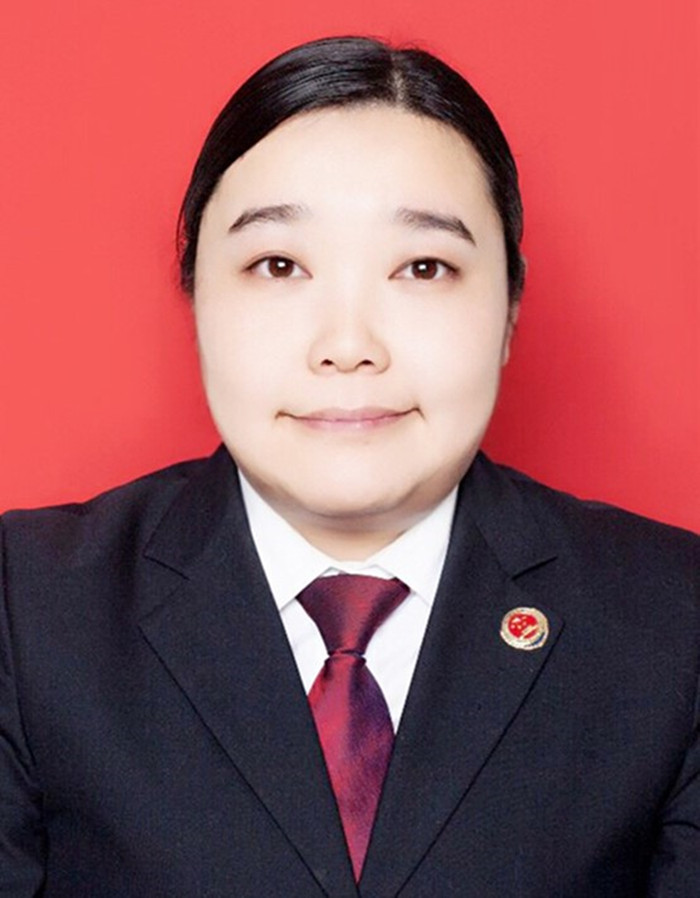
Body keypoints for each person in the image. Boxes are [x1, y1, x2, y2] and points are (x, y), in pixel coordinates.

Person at [0, 35, 697, 898]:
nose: (348, 345)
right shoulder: (27, 607)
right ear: (195, 295)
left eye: (424, 267)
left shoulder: (674, 618)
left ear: (512, 304)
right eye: (278, 265)